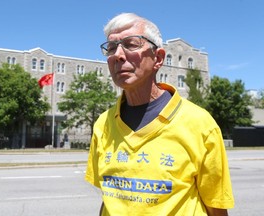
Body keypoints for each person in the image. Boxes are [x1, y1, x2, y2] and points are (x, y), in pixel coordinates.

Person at [85, 13, 234, 216]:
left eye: (131, 44)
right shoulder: (103, 124)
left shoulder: (199, 123)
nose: (118, 55)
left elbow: (216, 207)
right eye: (111, 48)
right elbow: (110, 197)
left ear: (158, 58)